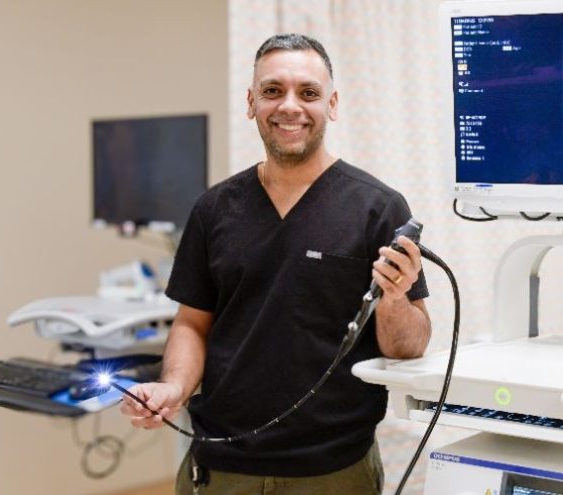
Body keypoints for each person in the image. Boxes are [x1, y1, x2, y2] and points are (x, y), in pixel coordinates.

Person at [119, 33, 432, 495]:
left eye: (308, 93)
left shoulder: (378, 208)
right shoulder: (214, 210)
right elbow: (192, 324)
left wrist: (394, 297)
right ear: (250, 103)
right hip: (221, 464)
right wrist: (173, 389)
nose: (290, 106)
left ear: (332, 104)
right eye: (272, 91)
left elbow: (410, 346)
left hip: (333, 470)